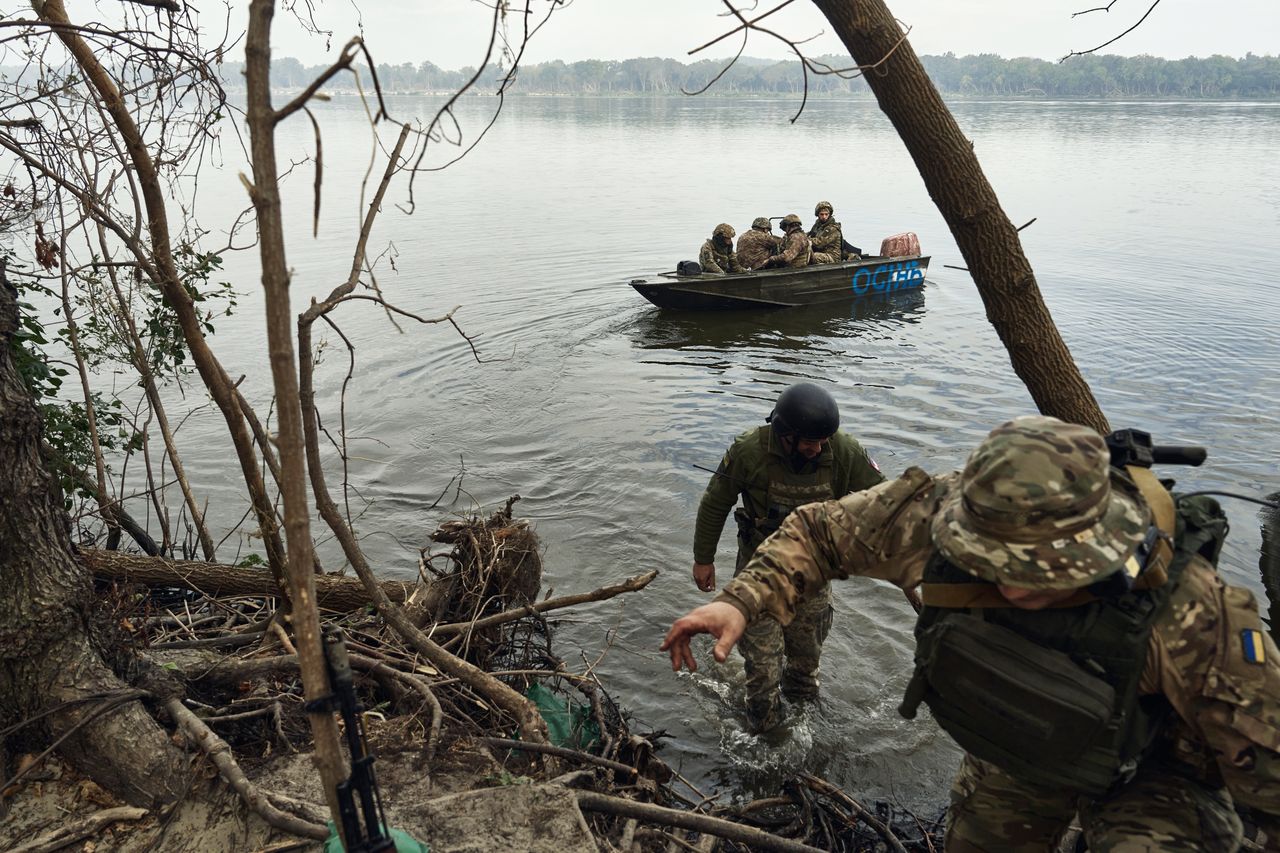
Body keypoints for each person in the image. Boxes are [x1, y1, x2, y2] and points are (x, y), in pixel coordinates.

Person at [664, 415, 1280, 851]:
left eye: (1034, 574)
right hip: (1022, 743)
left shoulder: (1199, 623)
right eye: (988, 563)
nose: (1008, 589)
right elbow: (818, 532)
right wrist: (741, 602)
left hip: (1148, 772)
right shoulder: (941, 513)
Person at [690, 382, 884, 732]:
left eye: (822, 442)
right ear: (785, 434)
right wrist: (704, 558)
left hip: (812, 579)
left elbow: (886, 501)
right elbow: (715, 502)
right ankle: (764, 739)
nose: (817, 448)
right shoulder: (749, 450)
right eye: (810, 443)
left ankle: (807, 736)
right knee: (763, 674)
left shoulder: (844, 451)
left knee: (804, 669)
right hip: (757, 578)